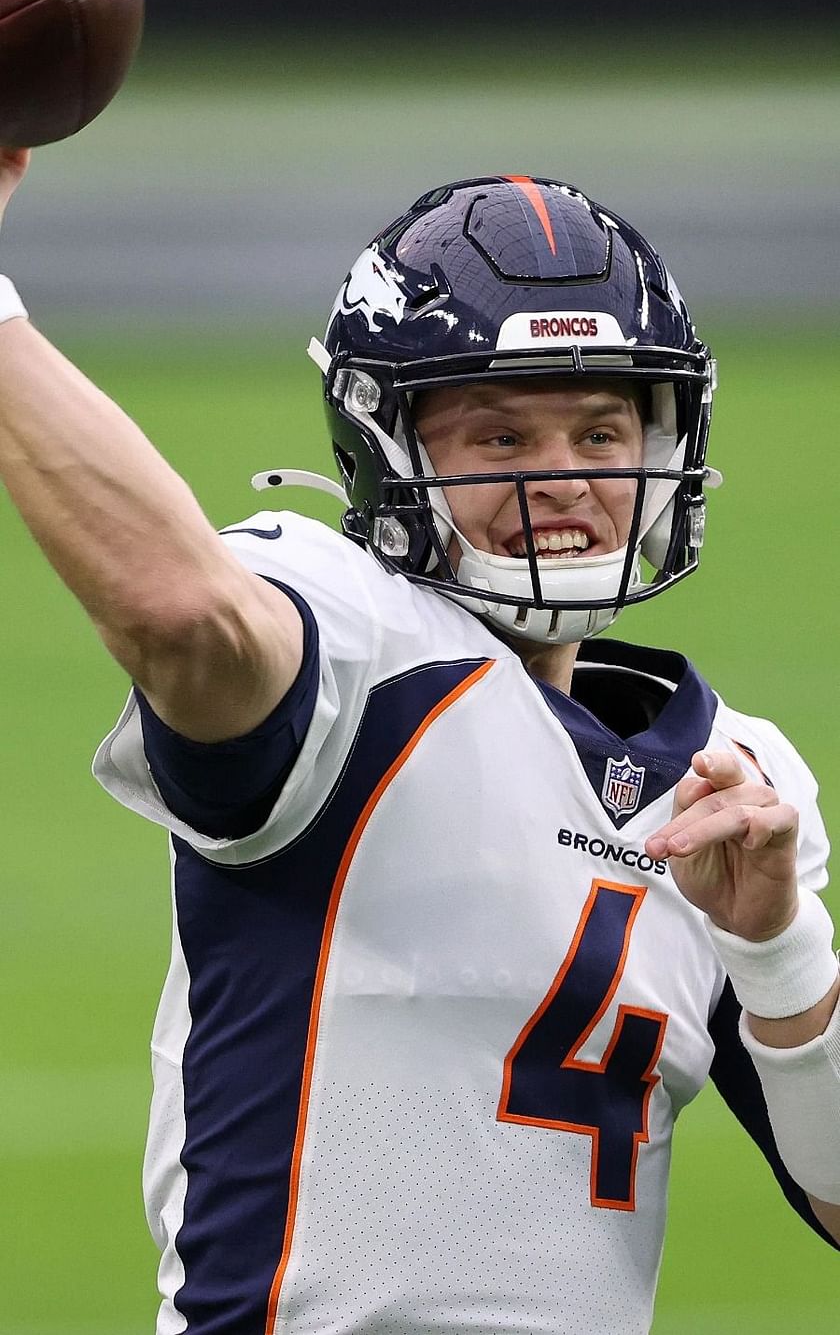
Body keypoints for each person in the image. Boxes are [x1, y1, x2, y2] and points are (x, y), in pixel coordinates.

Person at [1, 156, 838, 1335]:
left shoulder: (736, 785)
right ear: (391, 449)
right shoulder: (354, 644)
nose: (564, 481)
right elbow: (184, 614)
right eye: (500, 438)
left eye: (602, 432)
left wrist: (780, 948)